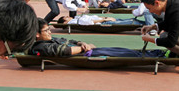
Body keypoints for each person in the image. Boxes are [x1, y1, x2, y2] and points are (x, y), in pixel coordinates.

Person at [29, 19, 167, 58]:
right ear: (37, 34)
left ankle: (158, 53)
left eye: (49, 29)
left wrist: (81, 42)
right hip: (85, 54)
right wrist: (83, 48)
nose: (49, 32)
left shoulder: (50, 39)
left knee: (122, 50)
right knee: (125, 54)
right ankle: (159, 55)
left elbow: (69, 42)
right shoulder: (41, 47)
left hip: (87, 50)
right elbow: (64, 51)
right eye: (46, 30)